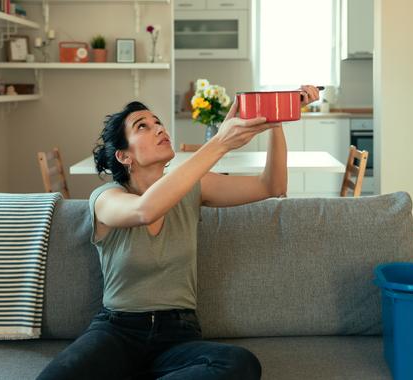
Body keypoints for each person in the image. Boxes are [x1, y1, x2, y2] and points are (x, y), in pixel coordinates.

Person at [37, 86, 321, 380]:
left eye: (157, 121)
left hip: (178, 335)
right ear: (124, 156)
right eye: (142, 126)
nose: (158, 128)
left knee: (240, 364)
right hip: (118, 331)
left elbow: (271, 186)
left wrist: (276, 121)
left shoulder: (193, 189)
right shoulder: (107, 198)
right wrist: (219, 144)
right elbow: (145, 210)